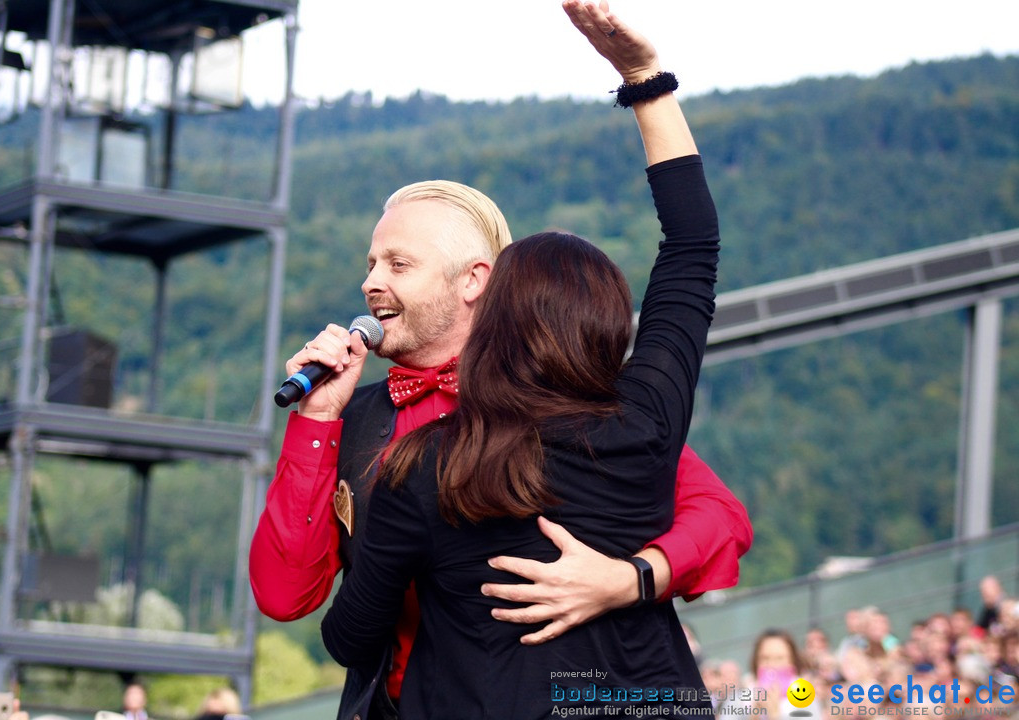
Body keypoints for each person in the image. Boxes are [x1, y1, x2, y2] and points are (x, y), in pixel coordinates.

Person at [249, 4, 751, 719]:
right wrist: (316, 423)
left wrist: (629, 578)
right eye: (369, 263)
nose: (370, 282)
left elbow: (720, 518)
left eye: (398, 262)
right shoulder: (361, 422)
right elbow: (282, 595)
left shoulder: (579, 404)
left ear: (476, 279)